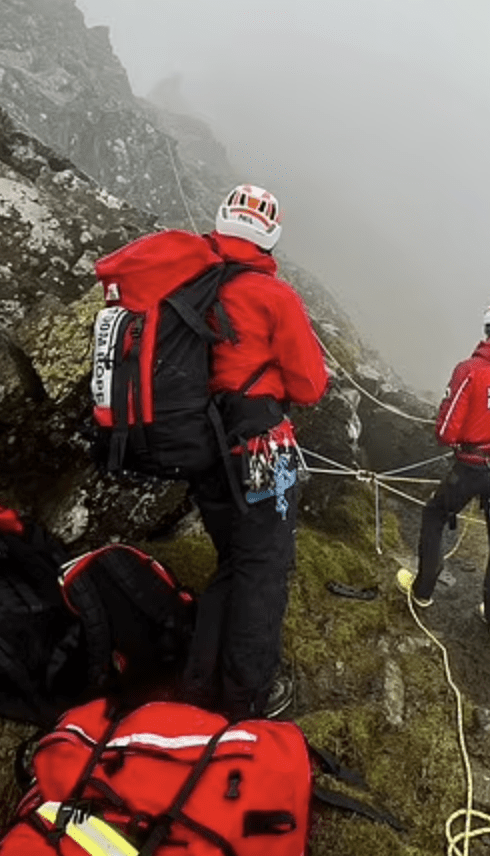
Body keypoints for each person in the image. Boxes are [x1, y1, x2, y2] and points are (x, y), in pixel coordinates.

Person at [99, 184, 328, 720]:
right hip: (260, 439)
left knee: (234, 560)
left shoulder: (187, 280)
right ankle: (246, 697)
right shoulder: (274, 296)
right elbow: (311, 387)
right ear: (270, 237)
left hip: (202, 439)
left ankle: (200, 685)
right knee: (265, 566)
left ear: (221, 223)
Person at [397, 298, 490, 638]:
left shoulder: (470, 370)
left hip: (472, 467)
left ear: (487, 330)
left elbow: (446, 432)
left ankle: (424, 589)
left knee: (435, 514)